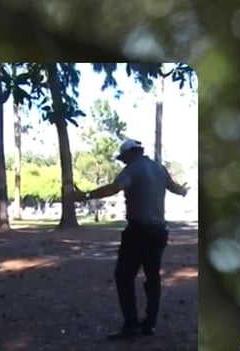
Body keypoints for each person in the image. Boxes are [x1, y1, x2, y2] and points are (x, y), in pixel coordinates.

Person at [74, 138, 189, 340]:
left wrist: (87, 195)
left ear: (131, 153)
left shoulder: (133, 169)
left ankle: (131, 324)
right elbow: (175, 188)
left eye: (124, 158)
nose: (123, 162)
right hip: (159, 231)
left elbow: (114, 187)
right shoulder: (159, 169)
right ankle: (150, 324)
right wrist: (183, 190)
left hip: (138, 231)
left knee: (124, 276)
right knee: (152, 276)